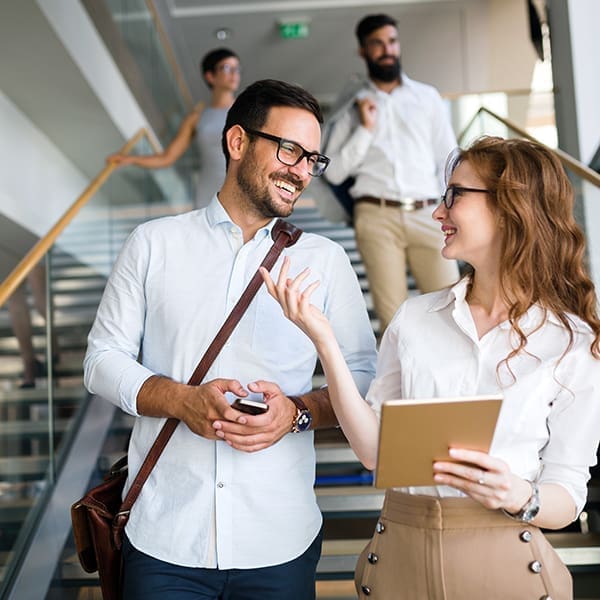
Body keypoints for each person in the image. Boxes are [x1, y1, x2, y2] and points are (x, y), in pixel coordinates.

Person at [262, 136, 600, 599]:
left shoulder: (574, 343)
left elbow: (567, 491)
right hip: (400, 561)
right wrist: (323, 339)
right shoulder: (416, 319)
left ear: (511, 207)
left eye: (455, 196)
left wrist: (520, 495)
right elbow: (374, 454)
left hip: (509, 566)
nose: (438, 213)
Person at [84, 78, 377, 599]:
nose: (302, 171)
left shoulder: (325, 261)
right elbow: (102, 360)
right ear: (237, 142)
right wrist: (181, 400)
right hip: (164, 537)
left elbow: (362, 381)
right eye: (289, 150)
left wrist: (298, 411)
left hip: (279, 539)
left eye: (313, 158)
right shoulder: (154, 243)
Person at [324, 13, 460, 334]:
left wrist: (454, 208)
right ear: (363, 51)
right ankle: (405, 386)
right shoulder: (353, 107)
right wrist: (365, 130)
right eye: (377, 44)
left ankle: (456, 386)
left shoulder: (427, 97)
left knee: (453, 309)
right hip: (376, 216)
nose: (387, 50)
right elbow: (334, 172)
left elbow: (450, 159)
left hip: (429, 213)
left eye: (392, 42)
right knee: (394, 322)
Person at [107, 48, 241, 209]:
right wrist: (131, 159)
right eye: (227, 68)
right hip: (208, 191)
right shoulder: (196, 118)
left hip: (242, 188)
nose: (234, 73)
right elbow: (167, 158)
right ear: (210, 76)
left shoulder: (248, 112)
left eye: (237, 68)